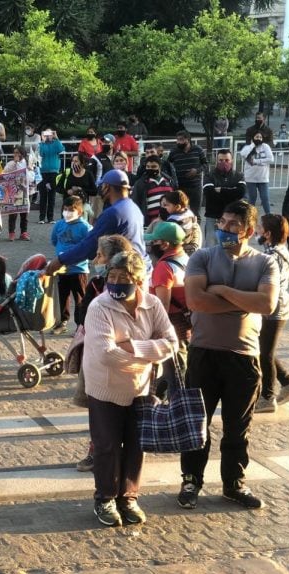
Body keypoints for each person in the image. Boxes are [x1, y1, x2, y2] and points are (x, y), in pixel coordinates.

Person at [178, 200, 279, 511]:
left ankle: (234, 483)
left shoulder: (265, 263)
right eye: (222, 221)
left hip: (244, 357)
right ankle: (191, 479)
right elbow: (196, 301)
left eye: (232, 224)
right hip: (204, 353)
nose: (224, 228)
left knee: (238, 426)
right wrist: (243, 302)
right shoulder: (202, 256)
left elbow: (267, 305)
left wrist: (220, 290)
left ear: (248, 230)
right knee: (198, 424)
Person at [84, 250, 177, 527]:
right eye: (111, 276)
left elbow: (171, 343)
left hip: (141, 387)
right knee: (107, 445)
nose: (115, 282)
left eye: (122, 278)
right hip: (105, 386)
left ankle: (129, 497)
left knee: (137, 444)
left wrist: (133, 347)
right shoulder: (99, 307)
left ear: (137, 280)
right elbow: (105, 354)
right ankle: (105, 498)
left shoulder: (152, 304)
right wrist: (150, 353)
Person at [73, 235, 135, 473]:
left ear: (112, 260)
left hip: (112, 356)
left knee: (105, 409)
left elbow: (81, 317)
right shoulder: (105, 284)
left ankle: (102, 452)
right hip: (113, 355)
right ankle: (106, 451)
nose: (95, 259)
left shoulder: (100, 285)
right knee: (106, 409)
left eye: (99, 255)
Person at [43, 170, 150, 277]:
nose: (101, 189)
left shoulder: (114, 213)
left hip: (126, 273)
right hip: (140, 267)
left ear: (107, 187)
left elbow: (90, 245)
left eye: (102, 186)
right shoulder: (133, 208)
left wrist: (60, 260)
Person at [254, 214, 289, 412]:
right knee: (264, 350)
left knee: (265, 353)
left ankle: (268, 397)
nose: (256, 229)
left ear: (268, 233)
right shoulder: (277, 250)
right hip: (277, 305)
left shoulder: (272, 255)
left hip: (274, 308)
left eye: (259, 227)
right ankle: (288, 384)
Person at [145, 221, 189, 398]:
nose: (151, 245)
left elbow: (162, 305)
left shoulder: (164, 267)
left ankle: (175, 408)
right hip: (186, 321)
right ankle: (157, 396)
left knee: (175, 369)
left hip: (172, 322)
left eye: (154, 241)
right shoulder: (185, 258)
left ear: (164, 244)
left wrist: (156, 330)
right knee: (175, 365)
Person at [50, 196, 91, 335]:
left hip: (79, 269)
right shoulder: (59, 225)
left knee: (80, 297)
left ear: (79, 212)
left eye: (71, 210)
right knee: (62, 296)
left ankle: (81, 325)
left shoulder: (85, 227)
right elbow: (54, 240)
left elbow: (89, 246)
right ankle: (62, 322)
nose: (67, 212)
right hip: (61, 268)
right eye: (65, 209)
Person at [202, 149, 246, 248]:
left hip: (232, 217)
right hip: (213, 216)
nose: (224, 163)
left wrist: (220, 190)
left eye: (227, 160)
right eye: (221, 160)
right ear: (217, 161)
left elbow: (241, 192)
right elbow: (209, 193)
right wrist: (231, 192)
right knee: (211, 245)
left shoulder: (239, 175)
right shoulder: (209, 175)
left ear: (232, 160)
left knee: (230, 247)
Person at [168, 130, 208, 218]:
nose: (178, 142)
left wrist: (197, 170)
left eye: (181, 139)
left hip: (195, 187)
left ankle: (195, 230)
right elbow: (168, 166)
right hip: (180, 187)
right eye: (177, 140)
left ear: (188, 140)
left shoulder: (198, 150)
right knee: (180, 212)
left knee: (195, 214)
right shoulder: (174, 152)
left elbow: (205, 165)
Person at [131, 155, 174, 226]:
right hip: (150, 224)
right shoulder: (140, 184)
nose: (150, 169)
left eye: (154, 167)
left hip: (169, 222)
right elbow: (135, 203)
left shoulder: (169, 181)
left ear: (160, 167)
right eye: (148, 167)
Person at [240, 132, 274, 215]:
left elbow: (271, 159)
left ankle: (268, 216)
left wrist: (256, 161)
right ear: (253, 138)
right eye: (257, 137)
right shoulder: (248, 147)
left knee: (265, 198)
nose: (258, 138)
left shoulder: (265, 146)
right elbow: (243, 154)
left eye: (260, 137)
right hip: (250, 178)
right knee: (252, 199)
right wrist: (252, 145)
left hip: (263, 178)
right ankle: (250, 217)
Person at [160, 190, 201, 256]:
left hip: (180, 248)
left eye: (167, 205)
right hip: (189, 243)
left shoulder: (173, 220)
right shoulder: (189, 213)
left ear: (177, 207)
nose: (165, 208)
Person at [38, 129, 65, 224]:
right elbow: (40, 153)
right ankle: (41, 217)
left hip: (54, 172)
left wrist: (56, 137)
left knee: (52, 195)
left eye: (50, 134)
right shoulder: (42, 144)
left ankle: (50, 218)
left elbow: (61, 149)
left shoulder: (55, 143)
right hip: (43, 172)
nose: (48, 136)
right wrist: (42, 140)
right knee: (43, 195)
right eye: (46, 134)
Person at [3, 146, 30, 241]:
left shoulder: (27, 163)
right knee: (13, 213)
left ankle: (23, 232)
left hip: (23, 190)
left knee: (24, 213)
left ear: (22, 154)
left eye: (18, 153)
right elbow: (5, 172)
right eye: (14, 153)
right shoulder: (10, 163)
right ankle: (11, 233)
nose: (16, 155)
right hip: (13, 190)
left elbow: (30, 176)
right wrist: (15, 163)